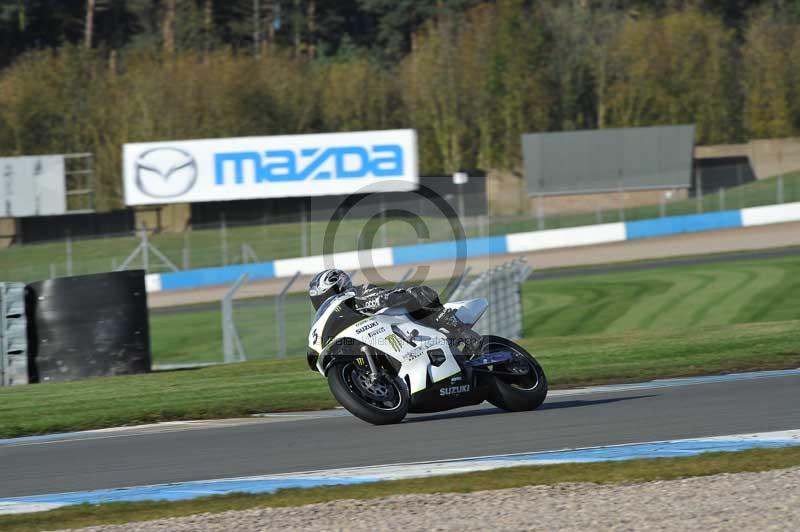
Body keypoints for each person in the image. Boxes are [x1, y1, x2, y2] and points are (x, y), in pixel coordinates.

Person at [308, 268, 465, 333]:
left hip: (403, 324)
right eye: (318, 300)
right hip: (381, 336)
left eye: (324, 296)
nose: (322, 302)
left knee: (418, 292)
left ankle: (457, 328)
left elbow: (387, 297)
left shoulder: (358, 293)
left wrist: (375, 302)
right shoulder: (336, 319)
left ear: (339, 286)